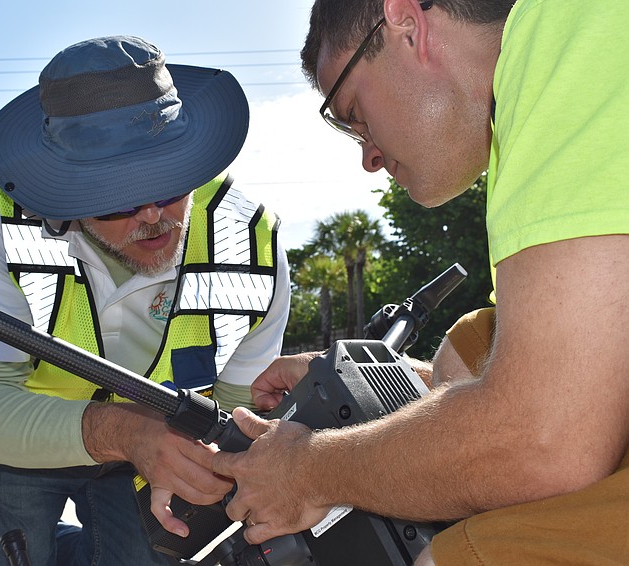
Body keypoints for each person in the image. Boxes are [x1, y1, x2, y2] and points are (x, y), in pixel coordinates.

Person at [211, 1, 629, 564]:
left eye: (354, 112)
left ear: (407, 23)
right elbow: (577, 371)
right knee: (464, 355)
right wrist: (383, 379)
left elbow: (541, 441)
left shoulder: (569, 31)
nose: (369, 157)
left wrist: (308, 471)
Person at [0, 35, 290, 565]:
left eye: (170, 186)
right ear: (66, 188)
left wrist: (210, 462)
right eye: (118, 201)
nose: (152, 217)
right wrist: (122, 431)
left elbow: (235, 415)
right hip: (21, 433)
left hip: (156, 446)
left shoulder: (250, 245)